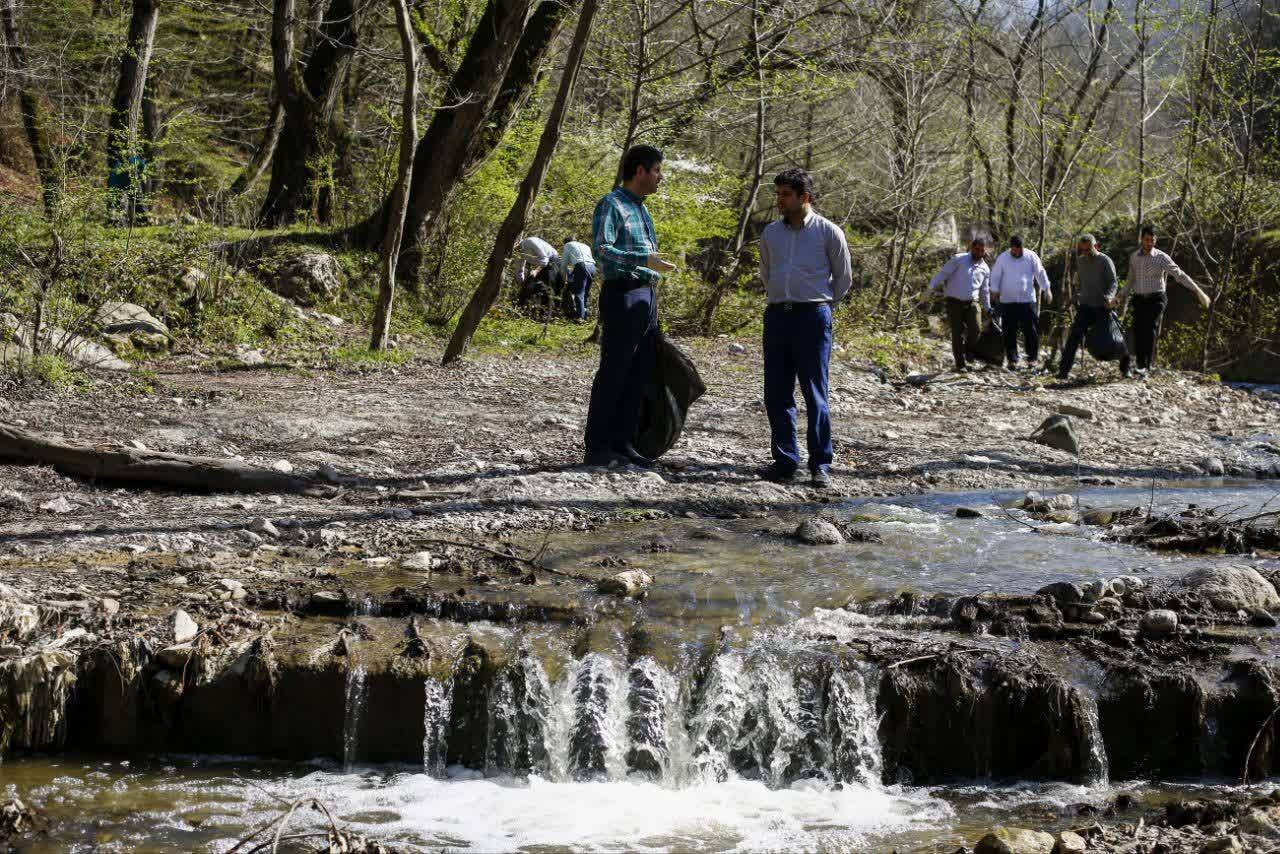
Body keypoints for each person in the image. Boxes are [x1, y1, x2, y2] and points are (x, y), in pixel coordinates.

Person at [757, 167, 852, 488]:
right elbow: (766, 273)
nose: (779, 200)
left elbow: (843, 279)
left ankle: (820, 463)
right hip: (777, 317)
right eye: (778, 193)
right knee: (776, 393)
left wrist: (822, 307)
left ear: (804, 197)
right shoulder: (770, 233)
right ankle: (785, 460)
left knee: (815, 394)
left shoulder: (829, 232)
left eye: (785, 194)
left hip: (813, 317)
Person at [583, 145, 677, 468]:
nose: (660, 178)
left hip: (647, 296)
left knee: (639, 373)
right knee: (615, 371)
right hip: (622, 293)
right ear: (640, 171)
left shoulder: (642, 209)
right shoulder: (611, 204)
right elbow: (601, 251)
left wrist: (655, 266)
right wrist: (643, 260)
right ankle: (597, 448)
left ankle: (624, 443)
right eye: (657, 171)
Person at [1122, 225, 1211, 375]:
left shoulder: (1161, 257)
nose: (1149, 243)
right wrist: (1119, 296)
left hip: (1157, 298)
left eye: (1152, 240)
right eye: (1146, 240)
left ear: (1155, 240)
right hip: (1138, 299)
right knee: (1138, 329)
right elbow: (1130, 280)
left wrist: (1198, 290)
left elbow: (1179, 274)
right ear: (1141, 239)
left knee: (1149, 326)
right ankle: (1140, 365)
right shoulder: (1134, 257)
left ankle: (1147, 366)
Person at [1057, 233, 1131, 380]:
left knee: (1115, 336)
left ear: (1095, 246)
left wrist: (1110, 297)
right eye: (1082, 250)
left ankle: (1126, 369)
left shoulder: (1105, 261)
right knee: (1074, 336)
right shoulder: (1080, 261)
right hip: (1085, 306)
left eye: (1088, 250)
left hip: (1103, 306)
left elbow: (1113, 283)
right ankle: (1063, 371)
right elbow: (1080, 284)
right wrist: (1074, 297)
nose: (1085, 253)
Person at [928, 234, 991, 372]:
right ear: (972, 248)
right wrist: (930, 287)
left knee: (976, 329)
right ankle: (960, 364)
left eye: (982, 250)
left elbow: (984, 290)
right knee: (957, 333)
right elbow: (942, 273)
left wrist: (988, 307)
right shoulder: (959, 259)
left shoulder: (985, 268)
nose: (980, 253)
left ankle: (968, 351)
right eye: (977, 249)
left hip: (972, 302)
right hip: (954, 302)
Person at [990, 235, 1051, 370]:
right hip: (1007, 300)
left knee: (1031, 330)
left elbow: (1040, 272)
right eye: (1014, 250)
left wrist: (1047, 288)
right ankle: (1012, 360)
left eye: (1019, 250)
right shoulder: (1003, 258)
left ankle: (1032, 359)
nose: (1017, 252)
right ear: (1011, 248)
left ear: (1023, 247)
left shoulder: (1031, 256)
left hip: (1027, 299)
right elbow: (995, 275)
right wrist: (994, 290)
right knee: (1009, 330)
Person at [514, 236, 564, 316]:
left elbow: (545, 260)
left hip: (552, 262)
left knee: (547, 289)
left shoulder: (530, 242)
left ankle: (549, 316)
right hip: (540, 266)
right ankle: (521, 313)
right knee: (527, 289)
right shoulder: (518, 252)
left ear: (516, 242)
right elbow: (519, 270)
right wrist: (523, 284)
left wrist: (536, 271)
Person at [561, 239, 597, 321]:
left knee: (579, 293)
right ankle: (585, 315)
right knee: (586, 293)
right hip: (592, 268)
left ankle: (579, 318)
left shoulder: (568, 245)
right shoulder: (585, 246)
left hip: (582, 266)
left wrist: (565, 280)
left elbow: (563, 265)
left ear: (565, 242)